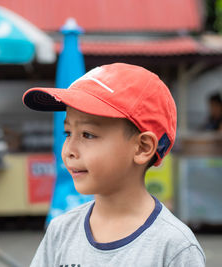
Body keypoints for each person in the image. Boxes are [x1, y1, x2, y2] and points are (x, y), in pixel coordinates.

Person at [22, 63, 205, 266]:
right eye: (68, 133)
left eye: (88, 134)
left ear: (143, 148)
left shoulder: (174, 247)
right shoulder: (61, 231)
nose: (69, 151)